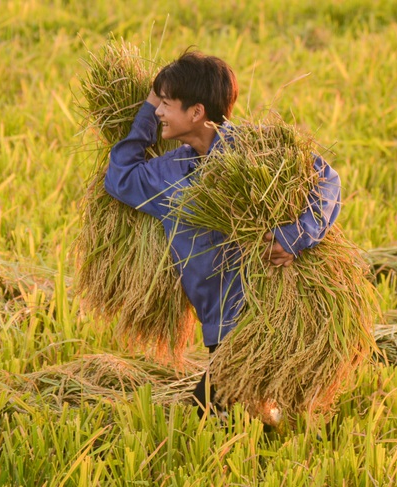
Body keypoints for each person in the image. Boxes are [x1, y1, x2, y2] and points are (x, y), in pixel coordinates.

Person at [104, 51, 341, 418]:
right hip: (217, 322)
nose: (159, 113)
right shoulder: (170, 173)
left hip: (267, 314)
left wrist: (293, 237)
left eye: (166, 104)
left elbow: (326, 180)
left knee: (211, 415)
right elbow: (119, 178)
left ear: (196, 112)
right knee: (239, 416)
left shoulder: (258, 152)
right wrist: (149, 107)